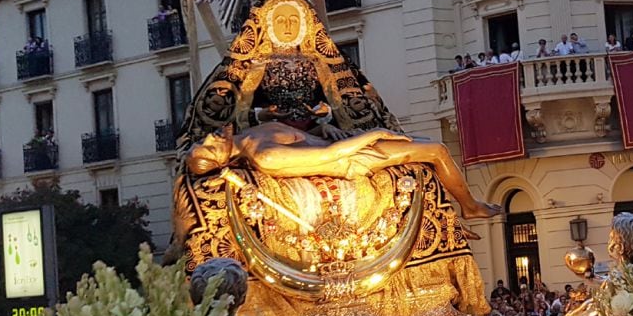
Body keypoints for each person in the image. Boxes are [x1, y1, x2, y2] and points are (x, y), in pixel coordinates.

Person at [185, 122, 502, 222]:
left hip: (342, 143)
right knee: (436, 150)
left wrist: (326, 126)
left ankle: (469, 204)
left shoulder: (254, 131)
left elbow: (308, 138)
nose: (210, 138)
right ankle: (470, 207)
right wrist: (374, 133)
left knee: (430, 148)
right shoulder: (264, 156)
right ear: (222, 162)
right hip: (351, 159)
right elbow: (329, 154)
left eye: (204, 140)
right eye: (209, 148)